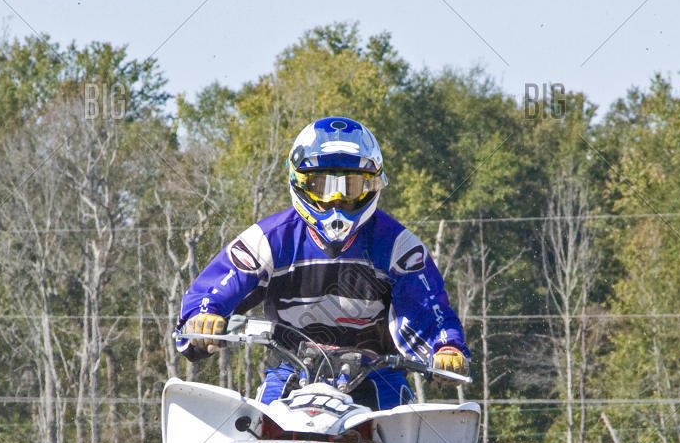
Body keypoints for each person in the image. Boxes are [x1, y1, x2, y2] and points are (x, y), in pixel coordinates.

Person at [176, 116, 467, 408]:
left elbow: (428, 308)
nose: (337, 200)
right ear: (300, 182)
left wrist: (446, 347)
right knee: (247, 440)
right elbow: (214, 289)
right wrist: (205, 315)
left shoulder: (398, 245)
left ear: (372, 185)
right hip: (290, 373)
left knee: (413, 442)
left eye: (351, 187)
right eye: (323, 185)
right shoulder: (269, 239)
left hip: (378, 376)